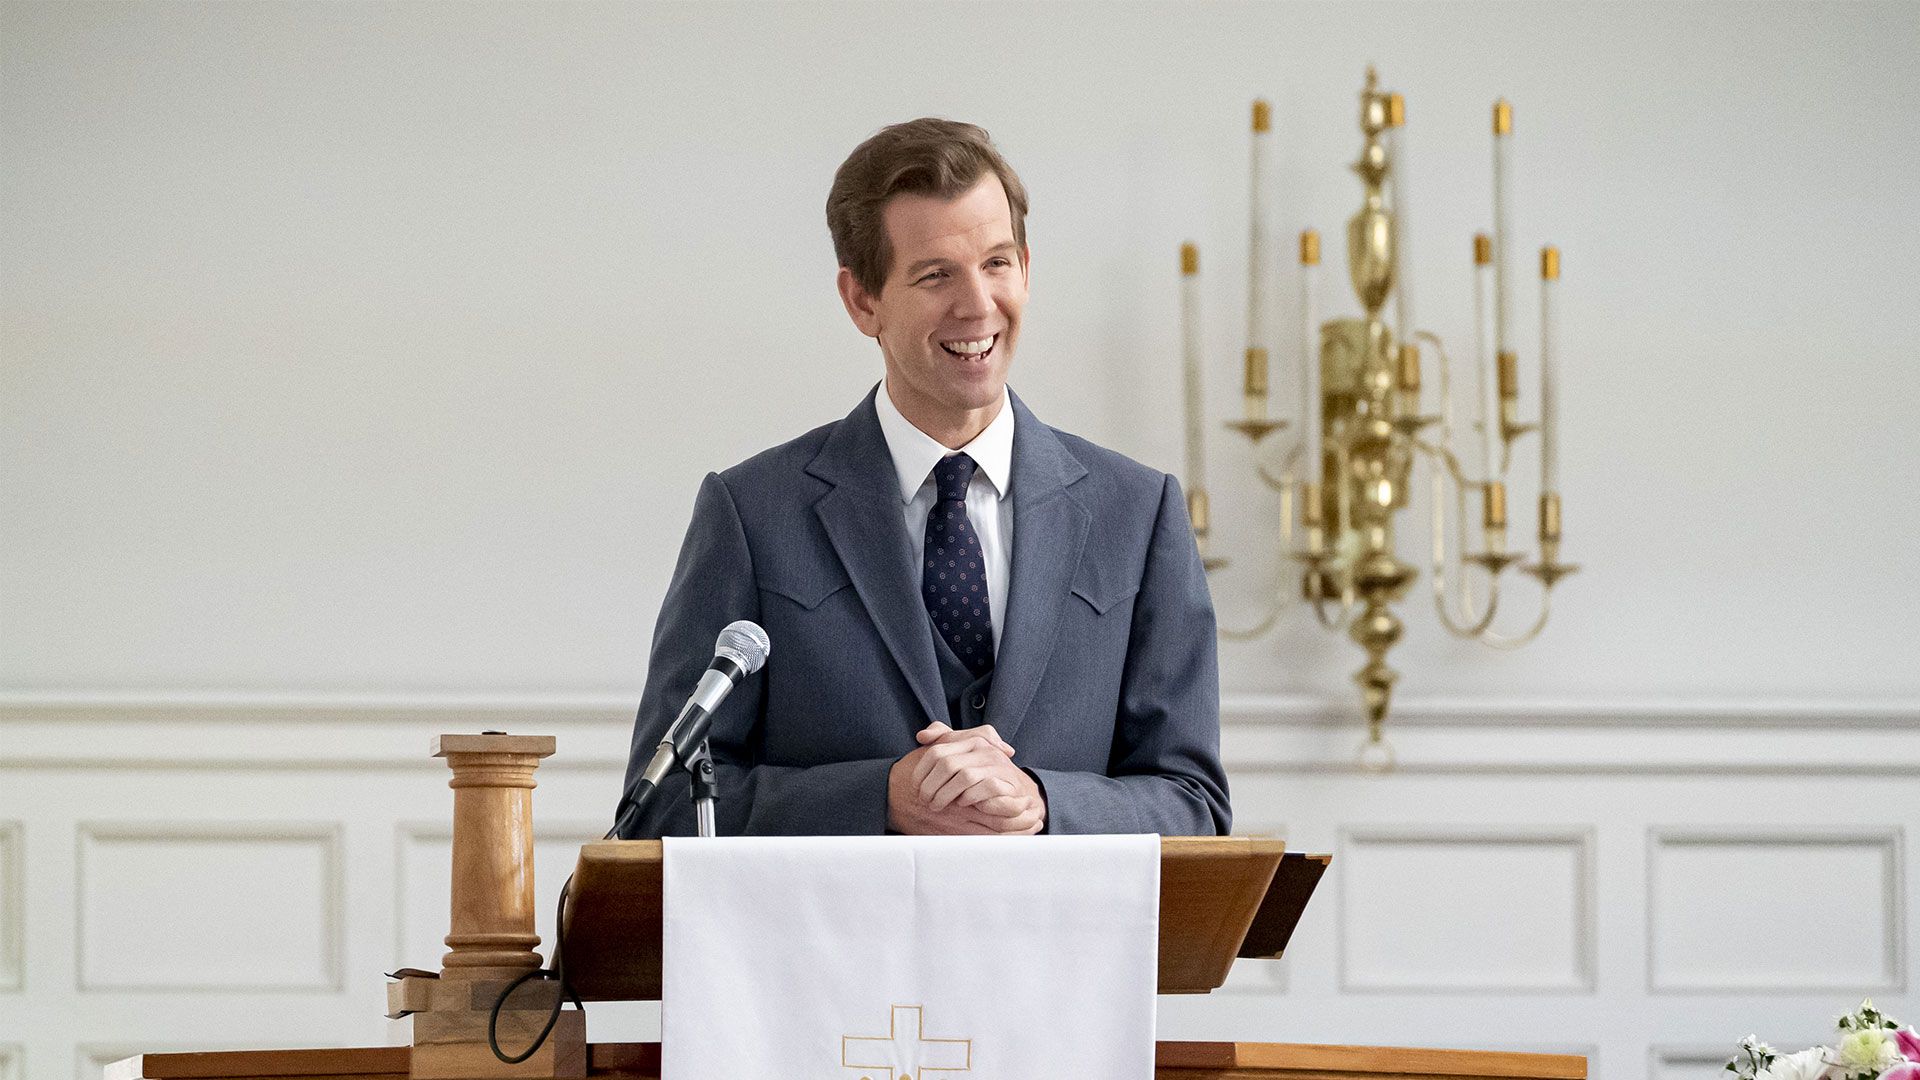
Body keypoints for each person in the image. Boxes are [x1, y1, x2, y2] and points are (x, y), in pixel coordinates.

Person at [617, 118, 1230, 837]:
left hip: (1059, 949)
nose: (977, 305)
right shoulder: (752, 514)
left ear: (1027, 269)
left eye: (997, 263)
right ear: (862, 301)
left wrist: (1041, 802)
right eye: (936, 275)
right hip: (832, 951)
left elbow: (1195, 806)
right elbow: (659, 809)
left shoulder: (1139, 511)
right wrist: (878, 799)